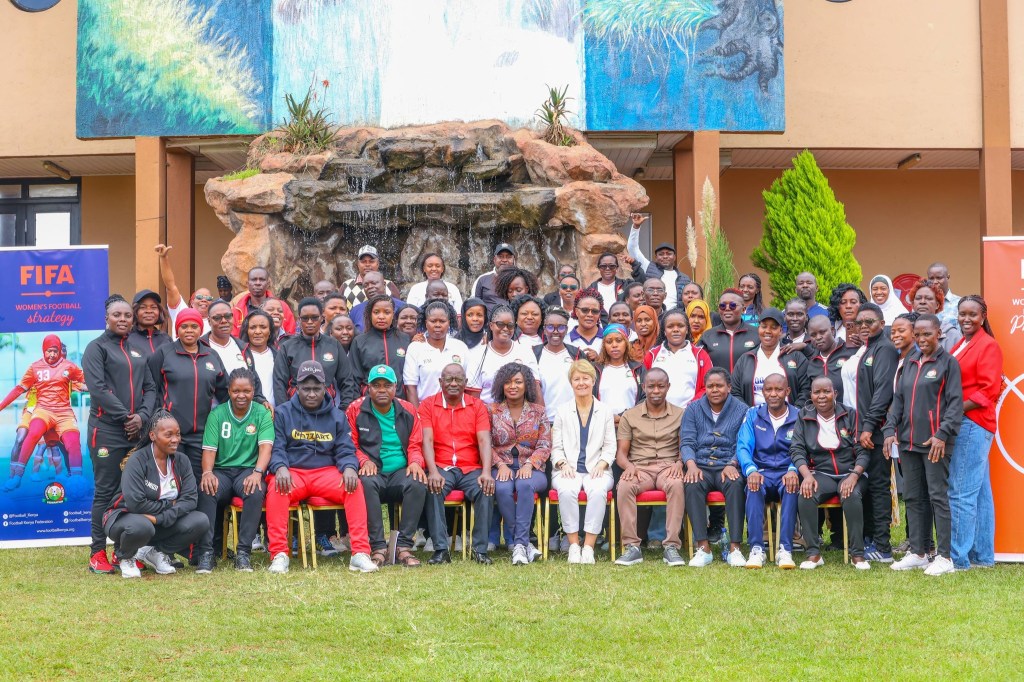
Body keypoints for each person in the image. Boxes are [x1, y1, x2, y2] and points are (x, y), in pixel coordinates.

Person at [266, 361, 377, 574]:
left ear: (325, 388)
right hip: (294, 473)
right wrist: (280, 466)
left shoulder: (336, 415)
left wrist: (350, 468)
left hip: (325, 473)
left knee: (353, 486)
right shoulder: (282, 413)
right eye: (305, 389)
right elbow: (277, 447)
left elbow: (345, 449)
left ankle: (360, 553)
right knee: (277, 489)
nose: (311, 394)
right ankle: (279, 554)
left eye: (316, 389)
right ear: (296, 388)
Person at [82, 298, 159, 574]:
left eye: (127, 314)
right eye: (117, 314)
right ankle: (97, 553)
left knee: (126, 493)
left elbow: (150, 388)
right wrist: (127, 417)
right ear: (107, 318)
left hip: (136, 430)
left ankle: (122, 553)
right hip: (106, 431)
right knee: (105, 491)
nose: (123, 319)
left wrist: (142, 417)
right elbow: (98, 389)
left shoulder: (137, 350)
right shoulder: (96, 348)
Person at [885, 314, 963, 576]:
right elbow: (898, 400)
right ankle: (918, 552)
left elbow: (955, 404)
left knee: (937, 497)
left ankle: (944, 557)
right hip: (908, 443)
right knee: (914, 498)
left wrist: (941, 435)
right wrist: (889, 429)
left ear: (938, 333)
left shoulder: (948, 363)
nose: (921, 339)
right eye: (917, 335)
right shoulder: (910, 362)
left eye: (926, 334)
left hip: (934, 443)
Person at [101, 411, 210, 578]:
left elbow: (190, 500)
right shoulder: (137, 460)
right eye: (169, 435)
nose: (175, 439)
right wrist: (170, 505)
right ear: (152, 435)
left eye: (178, 434)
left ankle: (156, 552)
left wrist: (160, 518)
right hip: (124, 517)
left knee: (200, 520)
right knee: (141, 526)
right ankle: (126, 556)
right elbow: (135, 504)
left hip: (156, 520)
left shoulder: (182, 461)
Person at [347, 364, 429, 568]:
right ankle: (378, 548)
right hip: (372, 470)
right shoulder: (355, 409)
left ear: (395, 387)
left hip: (401, 470)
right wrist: (363, 460)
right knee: (364, 484)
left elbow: (415, 442)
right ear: (368, 388)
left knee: (418, 482)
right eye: (376, 385)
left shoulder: (408, 409)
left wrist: (416, 462)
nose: (381, 390)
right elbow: (350, 444)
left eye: (387, 385)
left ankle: (403, 547)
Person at [195, 368, 273, 573]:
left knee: (255, 491)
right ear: (228, 391)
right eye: (236, 391)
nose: (241, 395)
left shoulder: (262, 413)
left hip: (247, 471)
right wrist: (207, 473)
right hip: (221, 471)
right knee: (206, 488)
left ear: (253, 390)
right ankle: (206, 553)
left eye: (246, 391)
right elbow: (209, 450)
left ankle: (243, 553)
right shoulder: (217, 414)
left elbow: (265, 448)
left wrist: (257, 473)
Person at [790, 377, 871, 570]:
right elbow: (796, 450)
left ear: (835, 393)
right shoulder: (804, 415)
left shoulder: (850, 414)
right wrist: (807, 476)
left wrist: (853, 476)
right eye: (816, 392)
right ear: (811, 395)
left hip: (851, 473)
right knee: (806, 495)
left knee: (850, 494)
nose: (821, 396)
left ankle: (857, 554)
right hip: (821, 473)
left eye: (826, 391)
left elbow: (863, 451)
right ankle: (814, 554)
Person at [420, 363, 495, 565]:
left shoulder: (476, 405)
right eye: (449, 379)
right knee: (433, 488)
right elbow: (426, 440)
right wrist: (433, 471)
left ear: (465, 382)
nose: (453, 383)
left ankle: (480, 550)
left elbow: (484, 440)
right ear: (440, 382)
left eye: (458, 379)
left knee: (485, 488)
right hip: (442, 466)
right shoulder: (428, 404)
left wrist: (486, 472)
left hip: (470, 467)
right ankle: (441, 549)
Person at [948, 295, 1002, 570]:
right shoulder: (963, 343)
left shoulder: (988, 345)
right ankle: (982, 556)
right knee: (979, 493)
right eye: (962, 314)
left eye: (972, 315)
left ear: (983, 317)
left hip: (973, 422)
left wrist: (955, 410)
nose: (966, 319)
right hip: (967, 422)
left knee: (960, 492)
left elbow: (989, 390)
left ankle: (957, 558)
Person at [613, 368, 687, 567]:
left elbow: (685, 446)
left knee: (677, 485)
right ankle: (632, 547)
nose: (656, 391)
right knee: (625, 486)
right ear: (643, 387)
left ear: (668, 387)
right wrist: (628, 466)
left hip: (668, 467)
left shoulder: (680, 414)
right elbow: (621, 453)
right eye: (651, 386)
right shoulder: (630, 415)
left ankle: (671, 546)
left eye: (661, 386)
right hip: (639, 468)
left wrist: (679, 463)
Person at [147, 309, 229, 481]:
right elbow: (150, 389)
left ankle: (196, 510)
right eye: (184, 326)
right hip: (170, 433)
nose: (189, 330)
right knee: (171, 481)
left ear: (201, 329)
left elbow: (226, 392)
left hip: (201, 433)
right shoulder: (164, 353)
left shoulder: (211, 355)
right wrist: (155, 421)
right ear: (177, 330)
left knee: (198, 480)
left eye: (194, 326)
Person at [681, 368, 750, 567]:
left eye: (719, 385)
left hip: (726, 465)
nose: (715, 390)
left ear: (729, 387)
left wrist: (733, 463)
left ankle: (735, 548)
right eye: (710, 386)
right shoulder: (693, 409)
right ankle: (703, 548)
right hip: (700, 465)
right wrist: (691, 465)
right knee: (692, 485)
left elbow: (744, 442)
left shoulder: (742, 409)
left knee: (736, 483)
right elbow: (687, 441)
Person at [0, 334, 86, 491]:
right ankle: (17, 477)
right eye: (48, 351)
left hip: (64, 413)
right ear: (43, 350)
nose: (52, 354)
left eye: (55, 351)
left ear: (60, 351)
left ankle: (76, 480)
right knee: (32, 433)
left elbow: (89, 381)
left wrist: (108, 389)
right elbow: (19, 389)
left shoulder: (70, 367)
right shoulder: (35, 368)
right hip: (42, 410)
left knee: (73, 441)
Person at [550, 360, 615, 564]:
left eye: (585, 378)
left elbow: (610, 446)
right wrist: (563, 464)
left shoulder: (605, 410)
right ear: (571, 382)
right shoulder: (562, 411)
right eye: (576, 379)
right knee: (567, 490)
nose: (581, 383)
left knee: (597, 491)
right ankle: (573, 546)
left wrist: (602, 464)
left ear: (593, 381)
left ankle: (588, 547)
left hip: (598, 469)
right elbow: (556, 447)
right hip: (568, 469)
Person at [851, 303, 900, 564]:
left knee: (880, 487)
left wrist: (869, 426)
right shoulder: (869, 347)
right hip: (865, 431)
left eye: (869, 322)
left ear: (881, 323)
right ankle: (870, 537)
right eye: (859, 323)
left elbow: (883, 391)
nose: (864, 327)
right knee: (869, 487)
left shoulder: (885, 348)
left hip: (877, 432)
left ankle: (883, 547)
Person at [736, 373, 800, 569]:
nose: (774, 394)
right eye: (769, 390)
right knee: (753, 487)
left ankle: (785, 549)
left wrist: (793, 469)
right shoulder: (753, 414)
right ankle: (757, 549)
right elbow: (743, 446)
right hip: (760, 471)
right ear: (762, 392)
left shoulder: (799, 415)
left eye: (779, 389)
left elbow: (804, 447)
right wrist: (751, 470)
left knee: (791, 487)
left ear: (787, 391)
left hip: (786, 471)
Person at [489, 363, 550, 565]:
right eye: (507, 382)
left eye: (517, 381)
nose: (512, 386)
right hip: (502, 467)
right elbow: (484, 444)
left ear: (527, 385)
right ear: (501, 385)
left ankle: (518, 544)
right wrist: (500, 465)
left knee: (525, 484)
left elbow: (544, 444)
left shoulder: (539, 412)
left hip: (532, 468)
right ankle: (523, 545)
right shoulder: (492, 411)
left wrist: (530, 464)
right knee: (502, 488)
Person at [273, 297, 359, 409]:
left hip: (327, 411)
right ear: (299, 320)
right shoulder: (288, 347)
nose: (310, 322)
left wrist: (343, 410)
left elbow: (347, 381)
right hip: (295, 411)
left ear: (322, 318)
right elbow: (279, 382)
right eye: (305, 318)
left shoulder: (334, 345)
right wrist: (284, 411)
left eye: (314, 318)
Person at [730, 308, 809, 407]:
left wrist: (795, 413)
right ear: (758, 328)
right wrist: (748, 413)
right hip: (753, 418)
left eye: (773, 327)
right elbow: (735, 391)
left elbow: (806, 389)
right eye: (764, 326)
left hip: (789, 419)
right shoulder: (746, 359)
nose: (768, 331)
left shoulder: (795, 357)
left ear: (780, 331)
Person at [466, 303, 541, 404]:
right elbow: (473, 397)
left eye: (510, 325)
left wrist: (541, 417)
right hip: (486, 414)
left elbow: (535, 388)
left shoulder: (525, 352)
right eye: (500, 324)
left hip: (519, 414)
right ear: (491, 325)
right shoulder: (477, 355)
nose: (505, 329)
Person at [403, 300, 468, 407]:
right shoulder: (415, 348)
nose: (437, 325)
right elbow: (411, 388)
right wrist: (417, 416)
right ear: (426, 322)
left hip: (454, 411)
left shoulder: (460, 347)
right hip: (425, 410)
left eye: (442, 321)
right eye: (433, 321)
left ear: (449, 322)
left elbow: (466, 384)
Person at [644, 309, 711, 410]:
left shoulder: (700, 355)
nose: (676, 329)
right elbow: (644, 386)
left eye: (680, 326)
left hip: (690, 414)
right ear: (664, 331)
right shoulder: (652, 355)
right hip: (657, 415)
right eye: (670, 326)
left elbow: (708, 385)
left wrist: (691, 407)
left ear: (687, 329)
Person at [350, 295, 412, 397]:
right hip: (369, 403)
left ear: (393, 315)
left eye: (387, 312)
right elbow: (354, 378)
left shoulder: (405, 339)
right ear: (370, 315)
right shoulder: (359, 341)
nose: (381, 317)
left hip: (400, 402)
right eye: (376, 312)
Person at [626, 213, 690, 309]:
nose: (665, 256)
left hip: (676, 318)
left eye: (668, 253)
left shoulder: (685, 278)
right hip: (653, 314)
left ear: (674, 257)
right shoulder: (649, 267)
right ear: (656, 257)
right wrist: (636, 227)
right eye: (661, 254)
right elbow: (632, 248)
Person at [534, 307, 584, 423]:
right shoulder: (534, 354)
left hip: (572, 421)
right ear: (544, 329)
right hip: (543, 422)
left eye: (561, 327)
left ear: (566, 330)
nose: (555, 331)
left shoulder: (576, 354)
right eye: (550, 327)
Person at [154, 243, 212, 336]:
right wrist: (163, 258)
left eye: (209, 298)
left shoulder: (216, 322)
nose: (204, 300)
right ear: (192, 302)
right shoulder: (181, 311)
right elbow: (170, 286)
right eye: (200, 297)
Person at [594, 324, 646, 420]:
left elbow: (645, 397)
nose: (614, 345)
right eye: (609, 342)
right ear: (604, 345)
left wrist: (623, 416)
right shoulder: (595, 369)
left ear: (626, 342)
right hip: (602, 424)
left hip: (632, 423)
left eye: (619, 340)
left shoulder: (638, 368)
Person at [699, 289, 759, 372]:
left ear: (743, 309)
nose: (727, 309)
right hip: (718, 384)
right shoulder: (707, 336)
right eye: (722, 306)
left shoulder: (756, 334)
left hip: (746, 385)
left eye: (733, 305)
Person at [229, 266, 296, 336]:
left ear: (268, 283)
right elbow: (234, 338)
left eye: (262, 279)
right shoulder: (237, 311)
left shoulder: (282, 307)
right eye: (254, 279)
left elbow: (290, 336)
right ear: (247, 283)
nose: (258, 283)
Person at [805, 314, 857, 403]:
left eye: (822, 332)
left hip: (850, 414)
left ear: (832, 331)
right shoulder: (812, 361)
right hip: (823, 415)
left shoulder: (851, 352)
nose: (818, 337)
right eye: (813, 335)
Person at [908, 278, 962, 351]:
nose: (922, 302)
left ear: (937, 305)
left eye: (928, 298)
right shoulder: (905, 332)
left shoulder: (951, 335)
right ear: (913, 304)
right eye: (918, 298)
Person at [239, 309, 279, 409]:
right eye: (252, 327)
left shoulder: (279, 355)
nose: (257, 332)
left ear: (270, 331)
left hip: (277, 413)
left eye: (263, 327)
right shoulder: (239, 356)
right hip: (249, 413)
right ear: (246, 331)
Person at [472, 243, 517, 310]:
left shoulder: (520, 279)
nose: (504, 260)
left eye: (508, 257)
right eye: (500, 256)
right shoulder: (482, 279)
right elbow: (474, 305)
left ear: (514, 260)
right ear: (494, 259)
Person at [129, 289, 171, 358]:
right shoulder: (127, 338)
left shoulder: (165, 339)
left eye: (153, 307)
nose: (149, 311)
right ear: (135, 311)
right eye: (143, 307)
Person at [568, 288, 604, 359]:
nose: (590, 314)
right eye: (585, 310)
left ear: (599, 313)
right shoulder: (566, 340)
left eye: (595, 311)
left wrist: (599, 359)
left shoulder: (609, 338)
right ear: (576, 311)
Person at [927, 262, 960, 329]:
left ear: (948, 277)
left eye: (939, 278)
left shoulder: (959, 303)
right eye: (931, 278)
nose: (935, 282)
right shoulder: (922, 304)